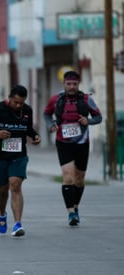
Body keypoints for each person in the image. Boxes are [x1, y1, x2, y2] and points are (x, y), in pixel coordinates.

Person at [0, 85, 41, 237]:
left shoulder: (27, 111)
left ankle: (17, 224)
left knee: (15, 185)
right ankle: (2, 214)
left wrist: (35, 136)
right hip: (0, 156)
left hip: (19, 155)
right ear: (9, 98)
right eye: (16, 102)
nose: (19, 106)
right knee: (3, 188)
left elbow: (28, 129)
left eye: (21, 102)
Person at [43, 70, 102, 226]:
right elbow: (46, 114)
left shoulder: (87, 99)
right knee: (68, 177)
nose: (71, 87)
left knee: (79, 179)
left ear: (78, 84)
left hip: (82, 142)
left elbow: (98, 117)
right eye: (68, 84)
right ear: (64, 84)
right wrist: (51, 124)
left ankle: (75, 207)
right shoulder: (55, 100)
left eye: (74, 84)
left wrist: (87, 121)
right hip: (63, 142)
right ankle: (70, 213)